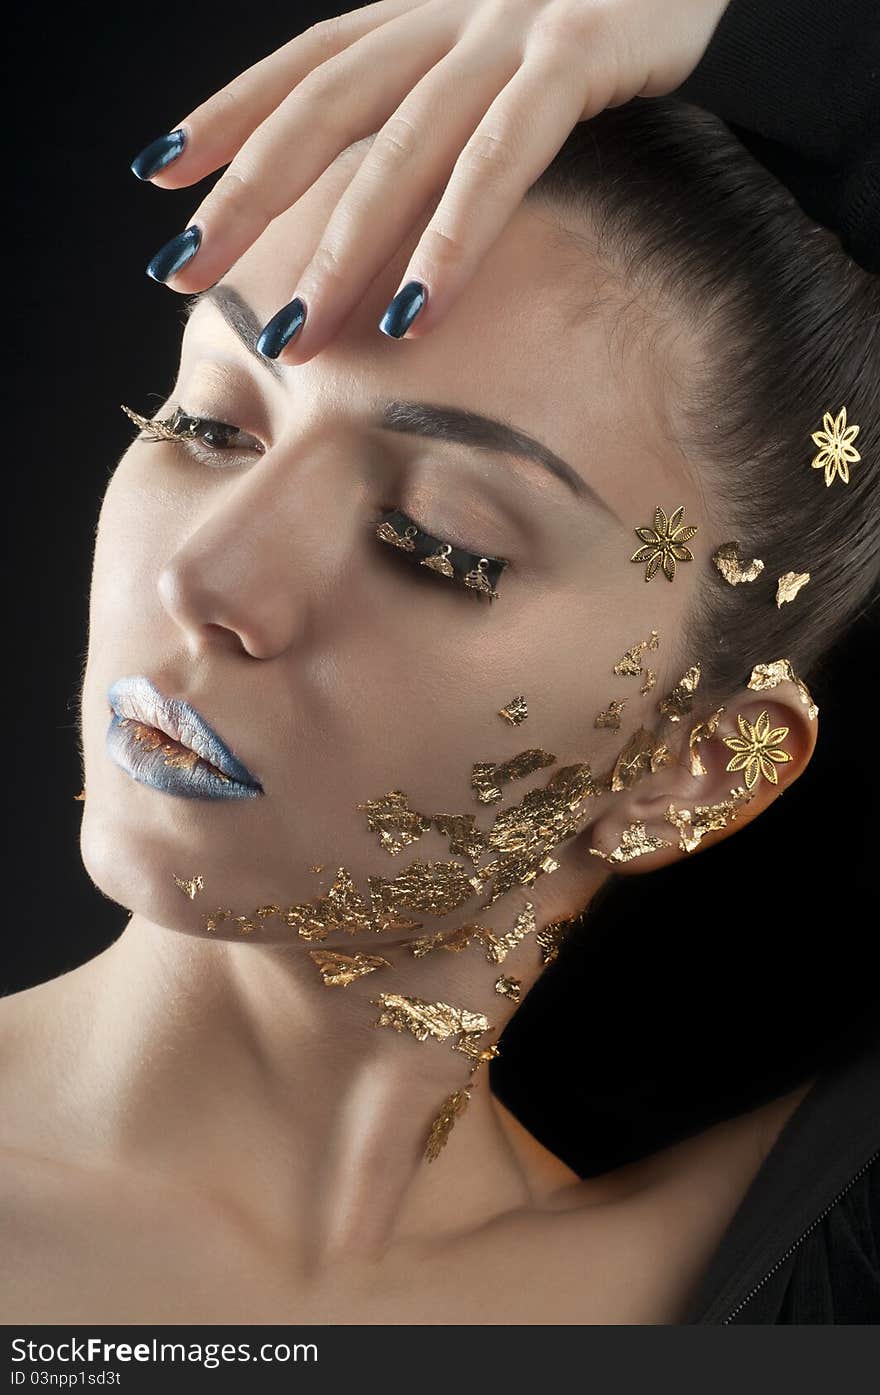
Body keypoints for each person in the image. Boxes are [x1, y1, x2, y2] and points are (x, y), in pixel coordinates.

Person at [1, 0, 878, 1325]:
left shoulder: (782, 1291)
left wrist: (753, 32)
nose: (207, 581)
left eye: (438, 545)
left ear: (698, 768)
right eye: (209, 425)